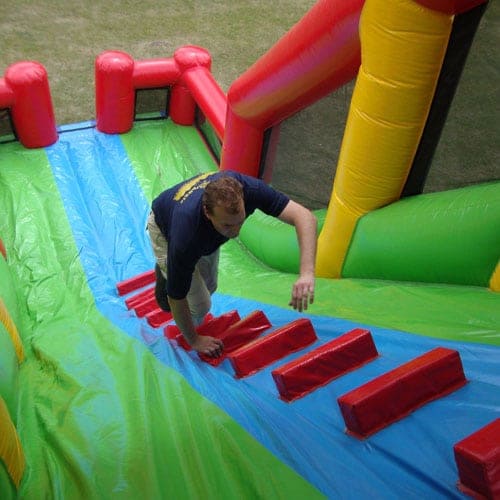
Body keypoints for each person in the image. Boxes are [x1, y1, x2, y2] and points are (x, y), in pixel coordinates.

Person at [147, 171, 317, 358]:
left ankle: (176, 270)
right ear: (208, 213)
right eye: (228, 225)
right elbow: (176, 298)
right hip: (164, 227)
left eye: (240, 221)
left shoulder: (251, 191)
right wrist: (194, 340)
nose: (236, 231)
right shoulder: (186, 237)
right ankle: (166, 273)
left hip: (202, 234)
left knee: (210, 285)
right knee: (200, 304)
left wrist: (307, 273)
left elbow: (305, 217)